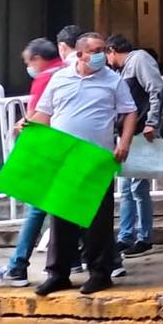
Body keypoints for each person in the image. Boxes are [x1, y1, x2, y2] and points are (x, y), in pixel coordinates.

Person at [29, 33, 138, 296]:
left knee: (97, 221)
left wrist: (124, 143)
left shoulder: (112, 81)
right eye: (96, 50)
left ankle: (99, 273)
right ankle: (58, 274)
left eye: (104, 49)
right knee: (61, 219)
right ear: (80, 54)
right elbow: (44, 114)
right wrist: (28, 130)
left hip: (96, 159)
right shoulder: (60, 79)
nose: (102, 53)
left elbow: (130, 111)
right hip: (64, 157)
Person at [0, 38, 64, 287]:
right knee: (66, 207)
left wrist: (23, 125)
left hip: (47, 149)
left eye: (28, 61)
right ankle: (88, 259)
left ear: (37, 59)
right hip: (65, 149)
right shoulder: (67, 71)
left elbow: (37, 117)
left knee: (37, 208)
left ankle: (17, 266)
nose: (28, 66)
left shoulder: (46, 78)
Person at [107, 34, 163, 257]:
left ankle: (144, 237)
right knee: (128, 189)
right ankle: (126, 236)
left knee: (137, 188)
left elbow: (156, 89)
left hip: (141, 131)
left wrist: (152, 121)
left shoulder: (139, 60)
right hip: (129, 134)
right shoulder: (121, 70)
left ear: (112, 50)